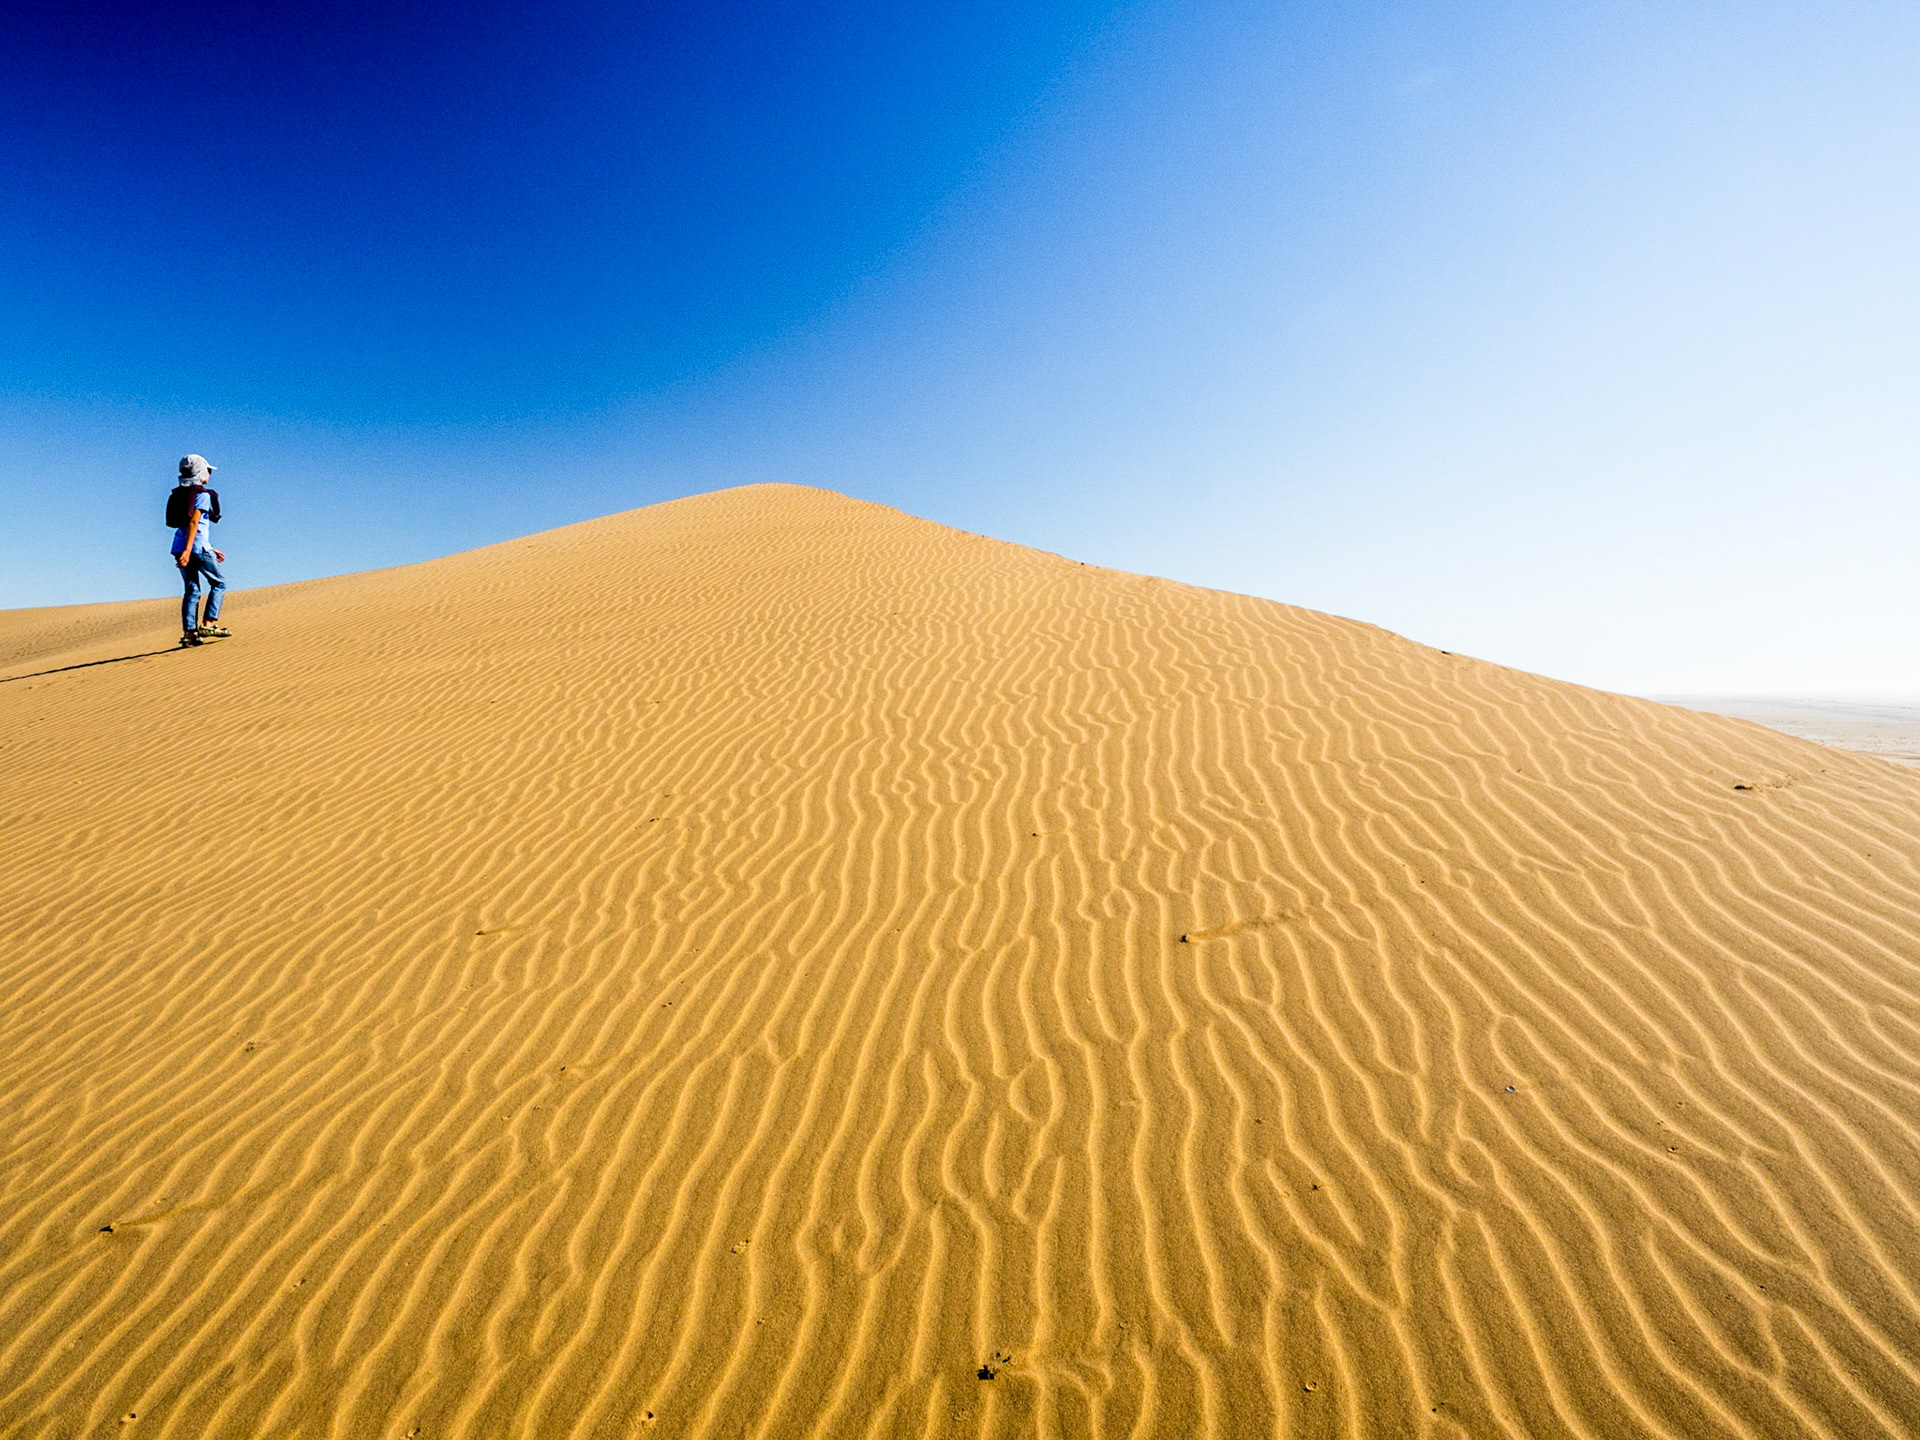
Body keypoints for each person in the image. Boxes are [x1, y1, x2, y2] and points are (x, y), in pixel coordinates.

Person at [171, 454, 231, 646]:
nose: (210, 474)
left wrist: (208, 548)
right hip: (195, 548)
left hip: (180, 547)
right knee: (219, 583)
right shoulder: (202, 495)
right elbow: (194, 522)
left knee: (191, 590)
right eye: (208, 471)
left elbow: (186, 526)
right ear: (200, 473)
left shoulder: (179, 495)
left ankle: (189, 634)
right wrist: (193, 550)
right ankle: (209, 623)